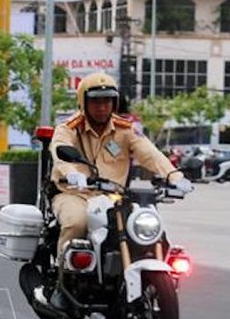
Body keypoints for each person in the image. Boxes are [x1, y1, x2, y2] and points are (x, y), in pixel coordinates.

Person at [49, 71, 194, 263]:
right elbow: (59, 148)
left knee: (147, 227)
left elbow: (149, 153)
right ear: (83, 102)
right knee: (77, 223)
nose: (102, 107)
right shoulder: (69, 128)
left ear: (114, 103)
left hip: (114, 198)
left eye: (107, 101)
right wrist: (72, 173)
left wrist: (174, 176)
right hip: (75, 194)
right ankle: (63, 272)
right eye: (95, 102)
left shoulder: (125, 130)